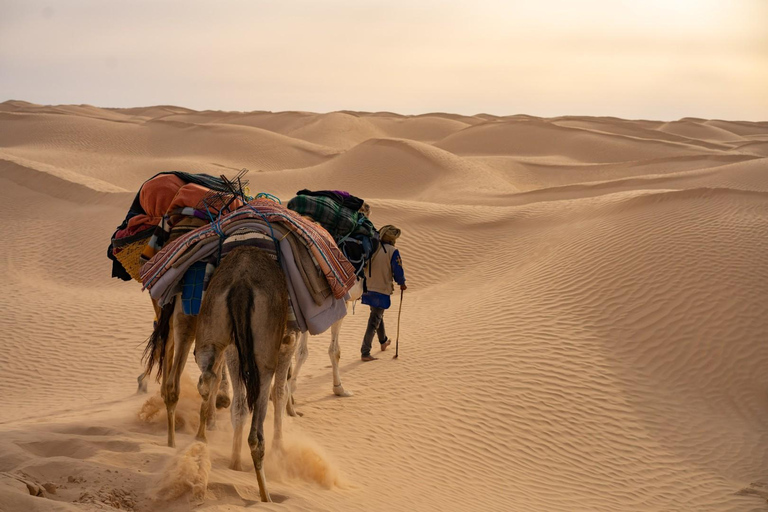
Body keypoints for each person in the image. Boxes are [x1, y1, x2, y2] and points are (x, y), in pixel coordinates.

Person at [360, 225, 407, 361]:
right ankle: (365, 352)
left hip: (368, 288)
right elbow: (398, 270)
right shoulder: (392, 251)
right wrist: (402, 283)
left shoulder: (372, 248)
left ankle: (383, 341)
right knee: (374, 320)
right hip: (380, 289)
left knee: (377, 314)